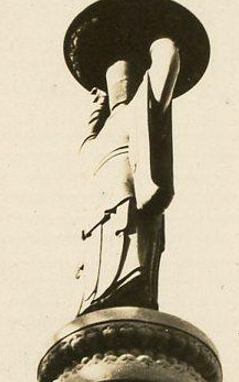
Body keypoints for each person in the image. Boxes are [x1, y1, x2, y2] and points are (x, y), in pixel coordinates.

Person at [75, 36, 181, 315]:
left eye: (122, 81)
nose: (117, 88)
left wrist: (162, 44)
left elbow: (164, 70)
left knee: (131, 258)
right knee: (100, 268)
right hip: (99, 213)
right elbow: (85, 145)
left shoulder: (138, 108)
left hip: (128, 198)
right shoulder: (96, 141)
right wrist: (96, 107)